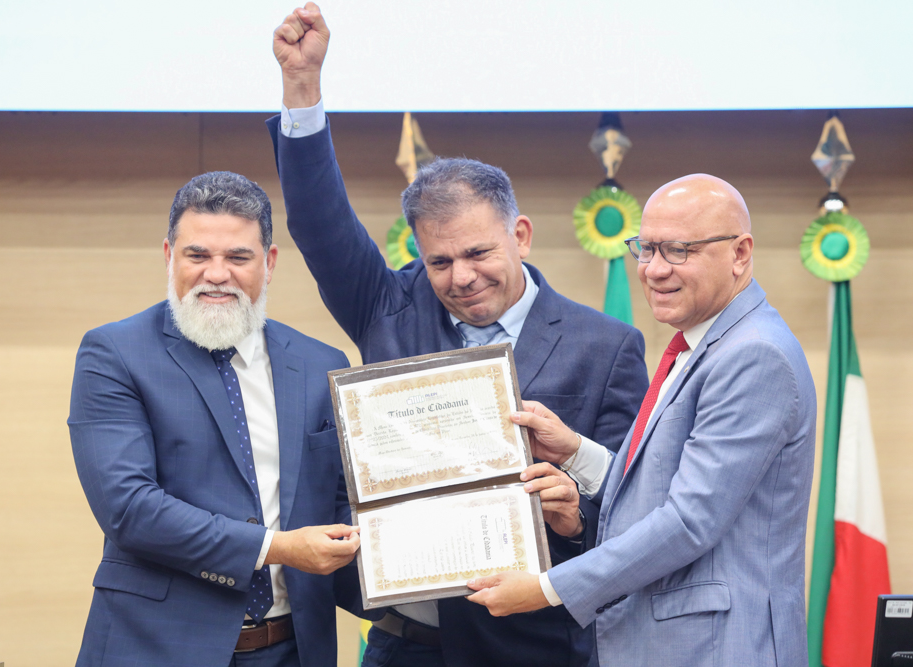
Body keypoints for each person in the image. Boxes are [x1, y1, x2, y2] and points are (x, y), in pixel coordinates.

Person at [269, 6, 649, 667]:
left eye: (478, 253)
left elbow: (634, 512)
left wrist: (572, 512)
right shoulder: (388, 305)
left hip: (534, 649)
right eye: (440, 261)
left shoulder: (606, 346)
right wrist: (302, 87)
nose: (461, 277)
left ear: (520, 235)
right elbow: (318, 219)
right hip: (401, 643)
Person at [467, 174, 818, 667]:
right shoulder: (700, 344)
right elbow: (657, 490)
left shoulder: (753, 354)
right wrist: (573, 451)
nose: (653, 270)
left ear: (740, 253)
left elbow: (688, 522)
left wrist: (546, 589)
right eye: (646, 248)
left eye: (677, 250)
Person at [68, 171, 364, 667]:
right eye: (198, 255)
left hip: (294, 648)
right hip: (155, 648)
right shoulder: (114, 353)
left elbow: (343, 502)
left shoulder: (321, 364)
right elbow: (130, 509)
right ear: (169, 256)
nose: (217, 274)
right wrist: (278, 548)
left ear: (268, 264)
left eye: (238, 257)